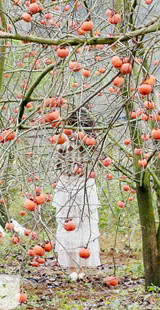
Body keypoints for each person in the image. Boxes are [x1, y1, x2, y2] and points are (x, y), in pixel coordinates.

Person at [53, 108, 101, 279]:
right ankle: (74, 268)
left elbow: (94, 162)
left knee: (81, 225)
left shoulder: (89, 140)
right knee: (72, 225)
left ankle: (78, 268)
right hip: (71, 183)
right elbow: (58, 163)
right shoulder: (64, 139)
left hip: (81, 183)